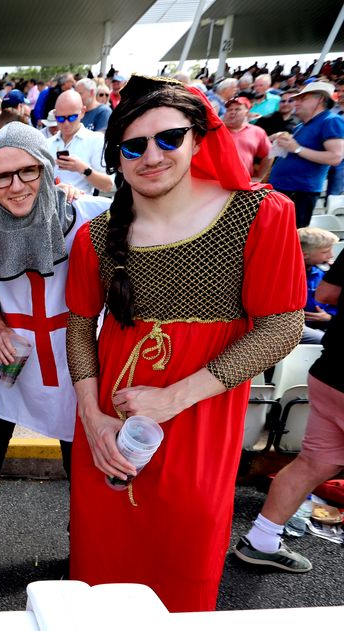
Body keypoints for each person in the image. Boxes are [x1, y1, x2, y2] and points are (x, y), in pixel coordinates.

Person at [65, 76, 305, 612]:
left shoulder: (261, 215)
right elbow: (79, 326)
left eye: (168, 138)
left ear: (198, 137)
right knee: (97, 575)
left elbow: (283, 326)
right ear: (119, 158)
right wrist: (92, 419)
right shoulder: (95, 236)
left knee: (182, 574)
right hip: (107, 432)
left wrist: (173, 397)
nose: (152, 155)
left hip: (198, 429)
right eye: (134, 145)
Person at [0, 122, 109, 542]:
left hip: (78, 357)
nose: (15, 185)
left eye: (27, 171)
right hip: (17, 352)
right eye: (3, 176)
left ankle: (83, 535)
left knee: (77, 446)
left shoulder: (91, 218)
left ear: (47, 170)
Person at [234, 253, 342, 573]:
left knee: (313, 463)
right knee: (312, 464)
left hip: (331, 372)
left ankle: (262, 541)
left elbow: (326, 293)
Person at [268, 82, 344, 228]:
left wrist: (296, 148)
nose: (296, 102)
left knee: (291, 239)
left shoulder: (331, 120)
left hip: (299, 193)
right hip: (285, 190)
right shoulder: (302, 125)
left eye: (302, 98)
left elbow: (335, 157)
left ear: (320, 99)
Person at [46, 91, 114, 195]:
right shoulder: (47, 144)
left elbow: (108, 186)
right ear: (55, 115)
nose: (66, 123)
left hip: (81, 207)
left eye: (72, 117)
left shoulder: (95, 140)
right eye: (60, 118)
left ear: (82, 112)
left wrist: (83, 169)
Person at [296, 227, 339, 343]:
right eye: (325, 252)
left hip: (324, 324)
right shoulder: (287, 276)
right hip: (295, 328)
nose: (331, 255)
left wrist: (329, 317)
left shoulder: (321, 273)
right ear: (304, 255)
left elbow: (334, 304)